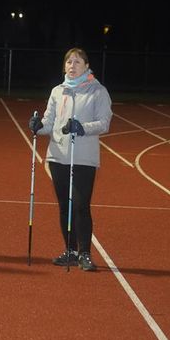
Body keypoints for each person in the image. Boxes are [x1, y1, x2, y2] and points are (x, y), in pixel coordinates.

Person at [28, 47, 112, 272]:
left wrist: (81, 127)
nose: (72, 66)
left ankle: (85, 252)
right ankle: (71, 251)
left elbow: (104, 122)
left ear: (86, 66)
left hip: (84, 157)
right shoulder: (58, 91)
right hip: (58, 157)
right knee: (65, 205)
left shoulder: (98, 91)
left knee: (81, 205)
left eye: (77, 62)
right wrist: (39, 126)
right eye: (69, 62)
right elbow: (49, 121)